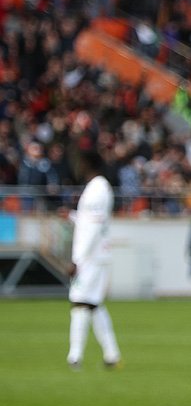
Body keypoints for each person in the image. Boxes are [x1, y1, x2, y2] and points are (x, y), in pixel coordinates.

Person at [67, 150, 121, 370]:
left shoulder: (97, 189)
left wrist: (77, 260)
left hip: (91, 256)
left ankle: (75, 357)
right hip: (96, 255)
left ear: (87, 163)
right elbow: (90, 222)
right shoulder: (98, 188)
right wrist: (73, 216)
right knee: (93, 304)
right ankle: (111, 354)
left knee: (79, 302)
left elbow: (94, 227)